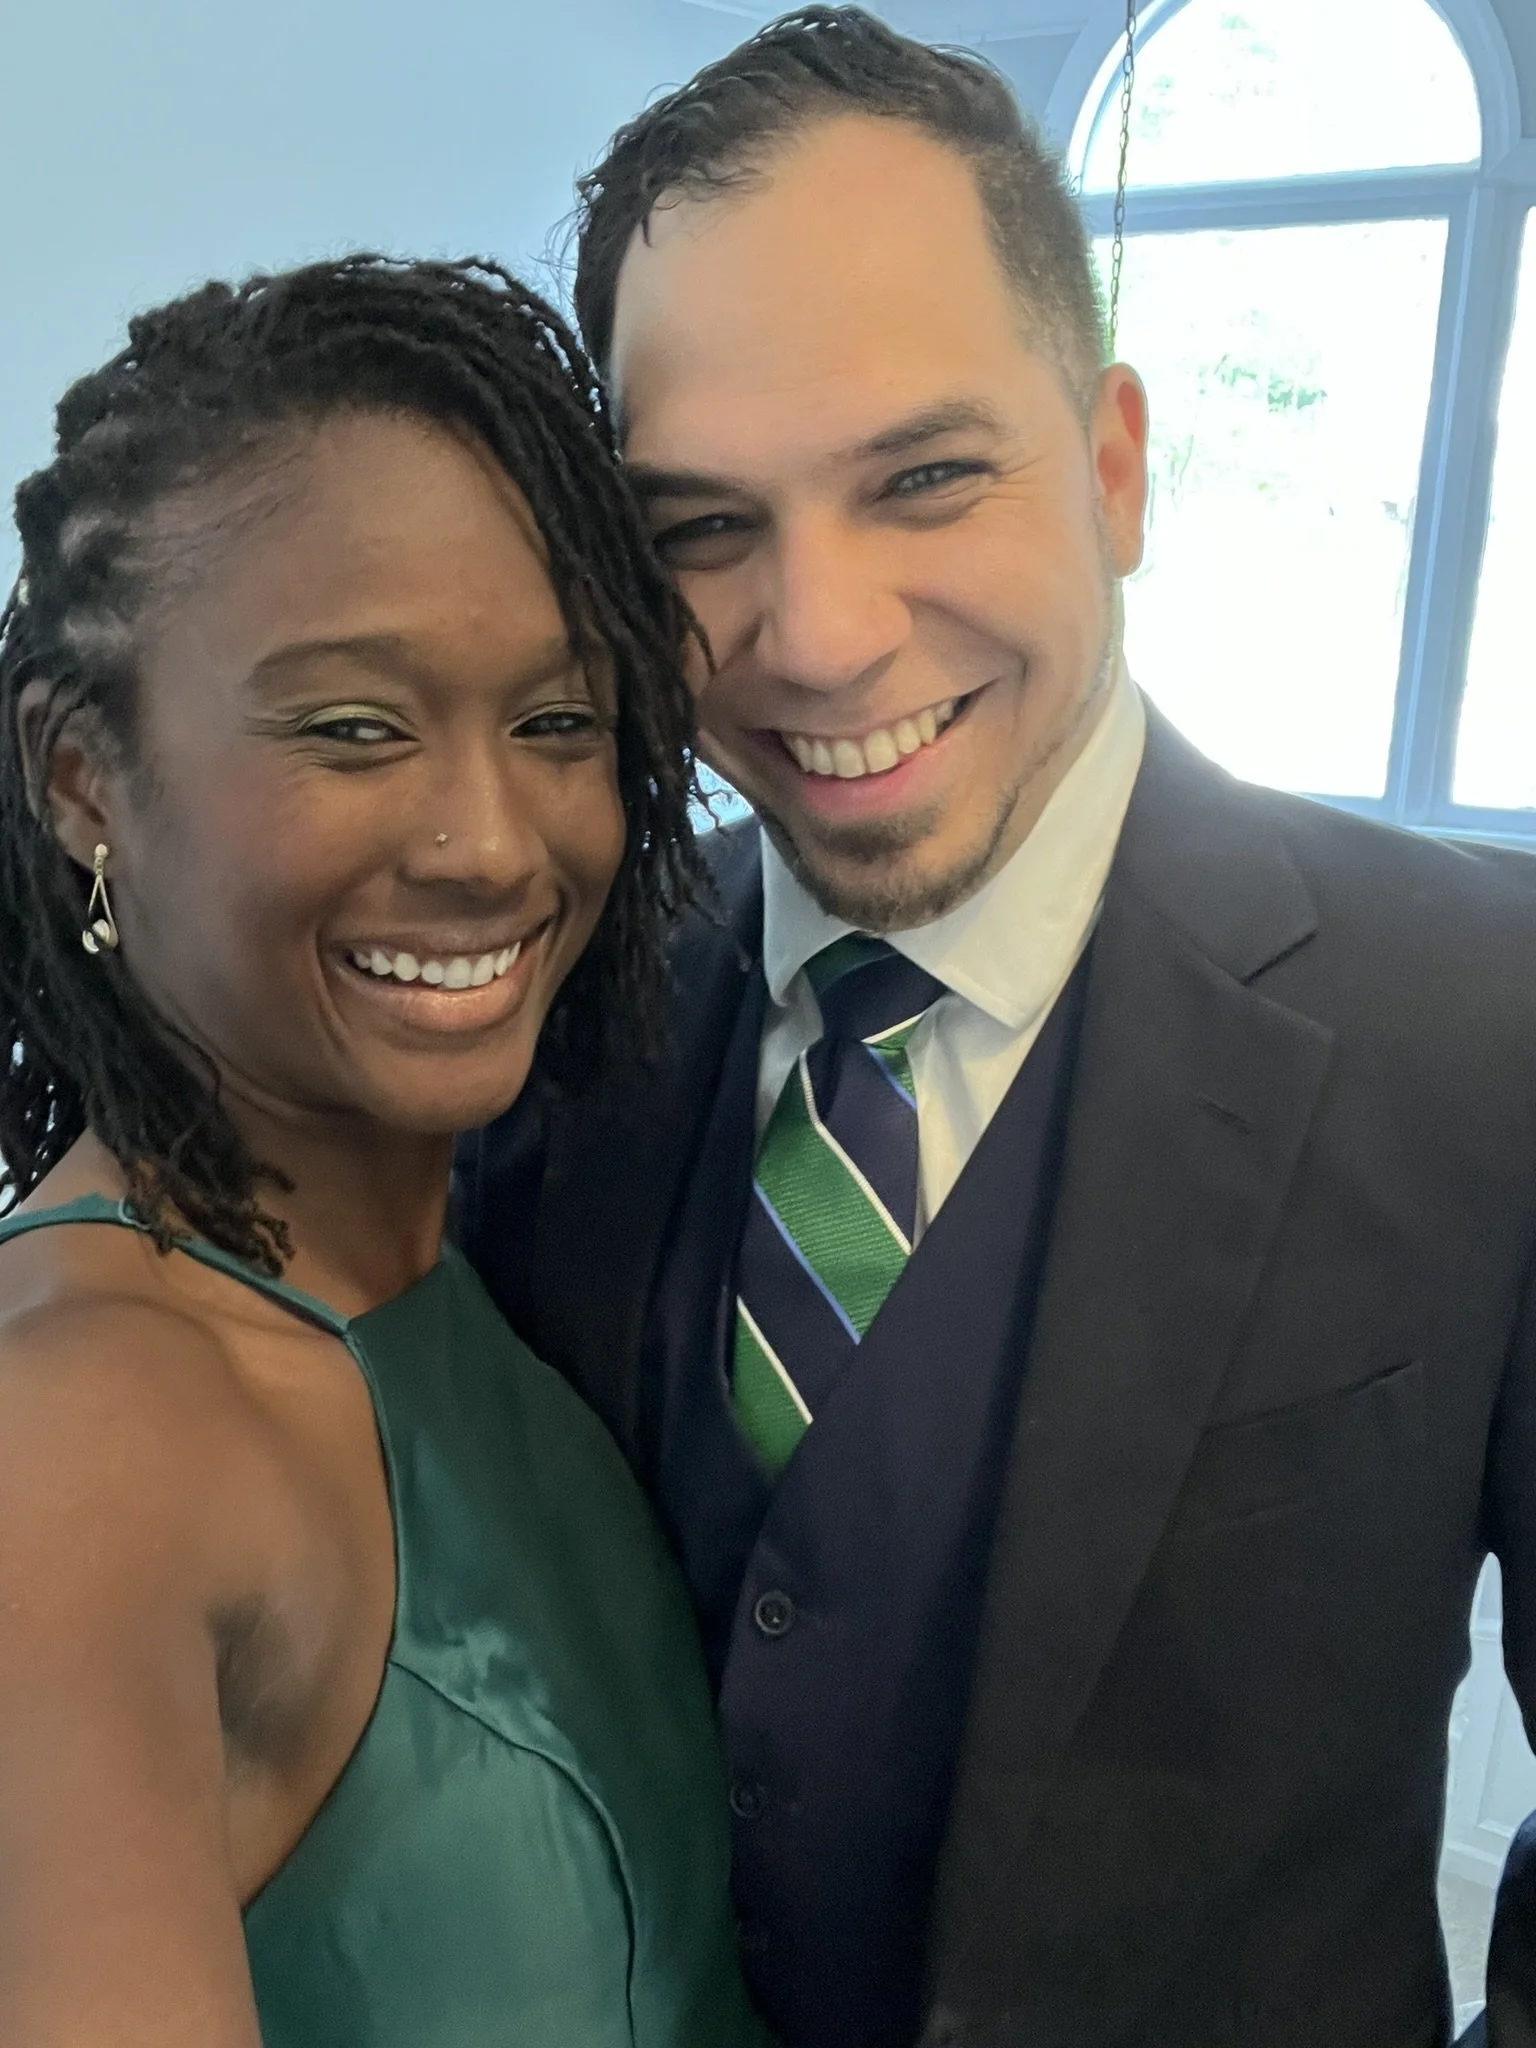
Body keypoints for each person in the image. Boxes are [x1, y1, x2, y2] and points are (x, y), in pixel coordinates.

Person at [456, 10, 1536, 2047]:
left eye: (927, 477)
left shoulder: (1490, 1028)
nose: (821, 633)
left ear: (1115, 467)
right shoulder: (557, 1008)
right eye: (701, 527)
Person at [0, 254, 769, 2048]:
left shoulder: (446, 1259)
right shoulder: (83, 1442)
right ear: (81, 779)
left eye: (559, 722)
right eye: (354, 728)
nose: (493, 845)